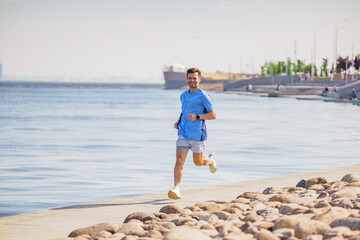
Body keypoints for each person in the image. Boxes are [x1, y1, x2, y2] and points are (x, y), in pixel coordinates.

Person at [168, 67, 217, 200]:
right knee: (179, 160)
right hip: (183, 133)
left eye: (194, 78)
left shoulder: (204, 96)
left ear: (199, 79)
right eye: (190, 78)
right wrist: (178, 121)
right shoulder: (183, 95)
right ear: (187, 79)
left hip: (197, 135)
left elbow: (213, 115)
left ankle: (211, 160)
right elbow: (184, 110)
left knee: (198, 162)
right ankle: (176, 188)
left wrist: (197, 116)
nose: (192, 80)